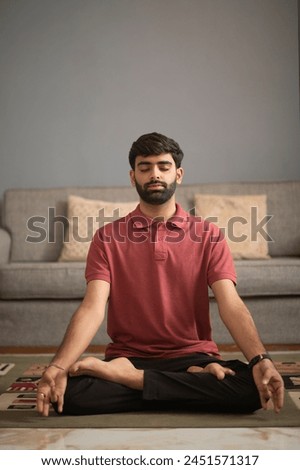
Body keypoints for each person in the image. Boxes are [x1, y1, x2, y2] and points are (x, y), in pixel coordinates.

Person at [37, 132, 284, 417]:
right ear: (133, 177)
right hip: (128, 357)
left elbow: (231, 304)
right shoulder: (107, 237)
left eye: (163, 167)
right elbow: (92, 308)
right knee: (68, 395)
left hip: (192, 356)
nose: (154, 174)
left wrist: (261, 359)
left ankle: (131, 381)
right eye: (145, 168)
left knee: (251, 387)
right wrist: (57, 366)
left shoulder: (209, 235)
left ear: (178, 174)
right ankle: (186, 386)